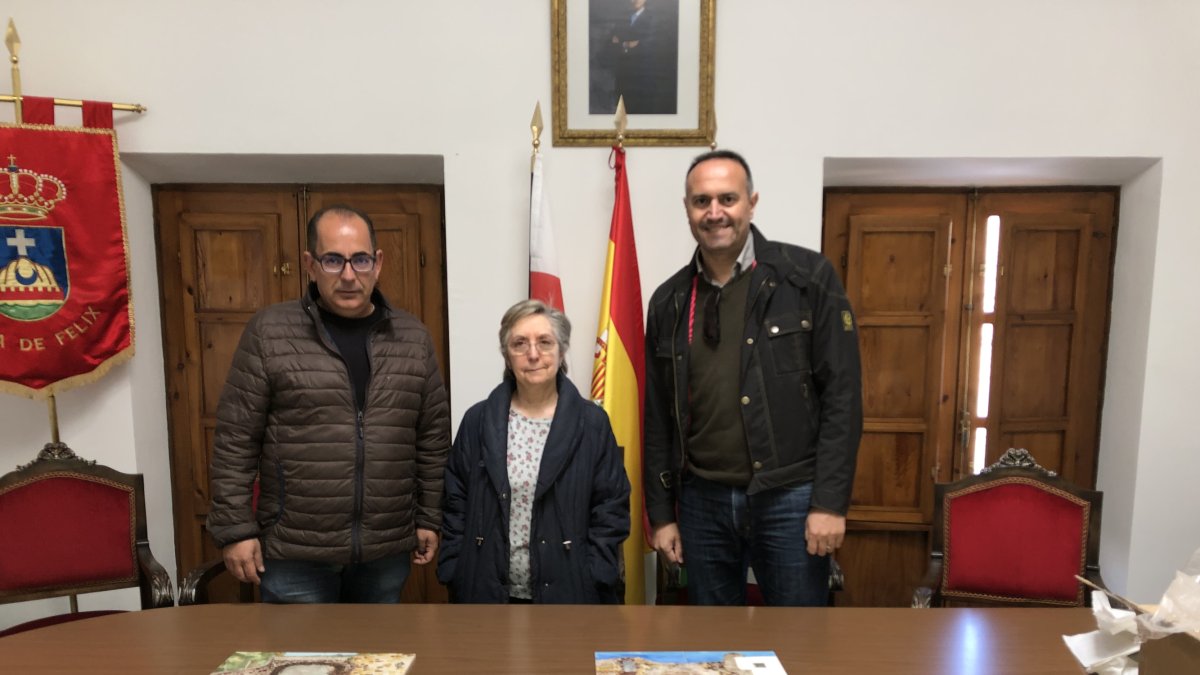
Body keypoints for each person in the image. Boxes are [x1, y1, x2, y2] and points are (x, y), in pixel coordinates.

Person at [643, 150, 863, 606]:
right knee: (712, 646)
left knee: (799, 640)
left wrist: (829, 503)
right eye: (701, 201)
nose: (715, 212)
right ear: (686, 209)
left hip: (791, 498)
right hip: (702, 501)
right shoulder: (669, 301)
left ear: (752, 202)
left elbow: (843, 398)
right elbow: (658, 418)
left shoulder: (806, 279)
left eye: (728, 198)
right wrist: (662, 515)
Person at [206, 205, 450, 603]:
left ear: (378, 262)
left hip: (384, 551)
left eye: (361, 259)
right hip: (295, 552)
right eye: (333, 260)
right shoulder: (270, 332)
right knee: (303, 664)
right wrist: (236, 530)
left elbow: (432, 441)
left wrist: (429, 518)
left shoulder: (413, 338)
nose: (349, 275)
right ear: (310, 264)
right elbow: (235, 440)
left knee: (376, 662)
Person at [438, 299, 631, 604]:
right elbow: (454, 500)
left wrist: (596, 571)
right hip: (485, 591)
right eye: (519, 344)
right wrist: (455, 566)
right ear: (506, 355)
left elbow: (611, 505)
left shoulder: (591, 424)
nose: (532, 354)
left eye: (544, 342)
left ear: (561, 349)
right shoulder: (478, 421)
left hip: (571, 592)